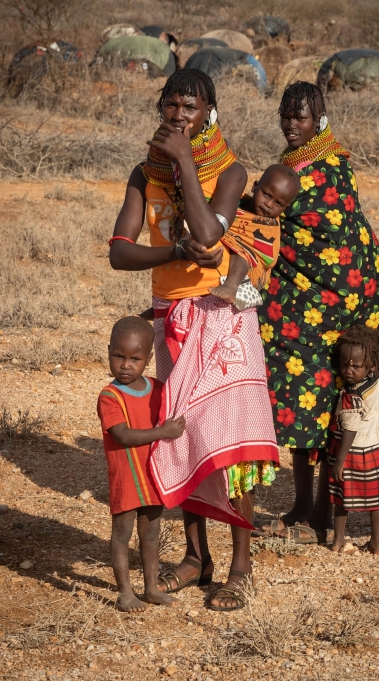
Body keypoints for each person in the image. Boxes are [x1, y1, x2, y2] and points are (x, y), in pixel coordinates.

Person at [109, 69, 279, 611]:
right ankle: (194, 556)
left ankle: (241, 565)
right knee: (182, 436)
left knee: (231, 440)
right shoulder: (143, 175)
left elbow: (209, 233)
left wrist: (185, 162)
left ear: (209, 112)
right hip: (170, 318)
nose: (180, 115)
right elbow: (120, 251)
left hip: (224, 315)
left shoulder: (231, 170)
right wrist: (172, 254)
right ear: (161, 107)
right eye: (172, 105)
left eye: (192, 106)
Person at [260, 81, 379, 543]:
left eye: (299, 117)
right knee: (302, 396)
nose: (290, 124)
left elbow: (334, 229)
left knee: (335, 407)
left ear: (319, 119)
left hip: (346, 302)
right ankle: (303, 505)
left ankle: (322, 512)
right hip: (303, 305)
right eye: (285, 115)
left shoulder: (333, 165)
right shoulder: (291, 164)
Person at [97, 316, 186, 612]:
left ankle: (150, 587)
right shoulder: (110, 397)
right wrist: (163, 432)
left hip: (152, 476)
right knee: (121, 535)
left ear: (147, 359)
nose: (125, 365)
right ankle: (125, 592)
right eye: (118, 356)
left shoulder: (157, 389)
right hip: (126, 478)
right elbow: (122, 435)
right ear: (108, 350)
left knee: (150, 533)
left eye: (134, 358)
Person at [328, 325, 379, 556]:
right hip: (375, 449)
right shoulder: (374, 384)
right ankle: (376, 543)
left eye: (356, 366)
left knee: (342, 498)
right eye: (345, 364)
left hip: (352, 454)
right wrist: (373, 427)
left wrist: (339, 462)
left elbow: (350, 430)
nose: (348, 370)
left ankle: (338, 539)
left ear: (371, 365)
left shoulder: (350, 396)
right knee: (378, 500)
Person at [209, 163, 300, 310]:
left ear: (286, 208)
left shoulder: (269, 226)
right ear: (255, 186)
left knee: (243, 253)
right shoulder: (237, 202)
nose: (269, 204)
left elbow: (268, 255)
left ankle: (231, 286)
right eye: (267, 195)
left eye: (278, 203)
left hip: (250, 270)